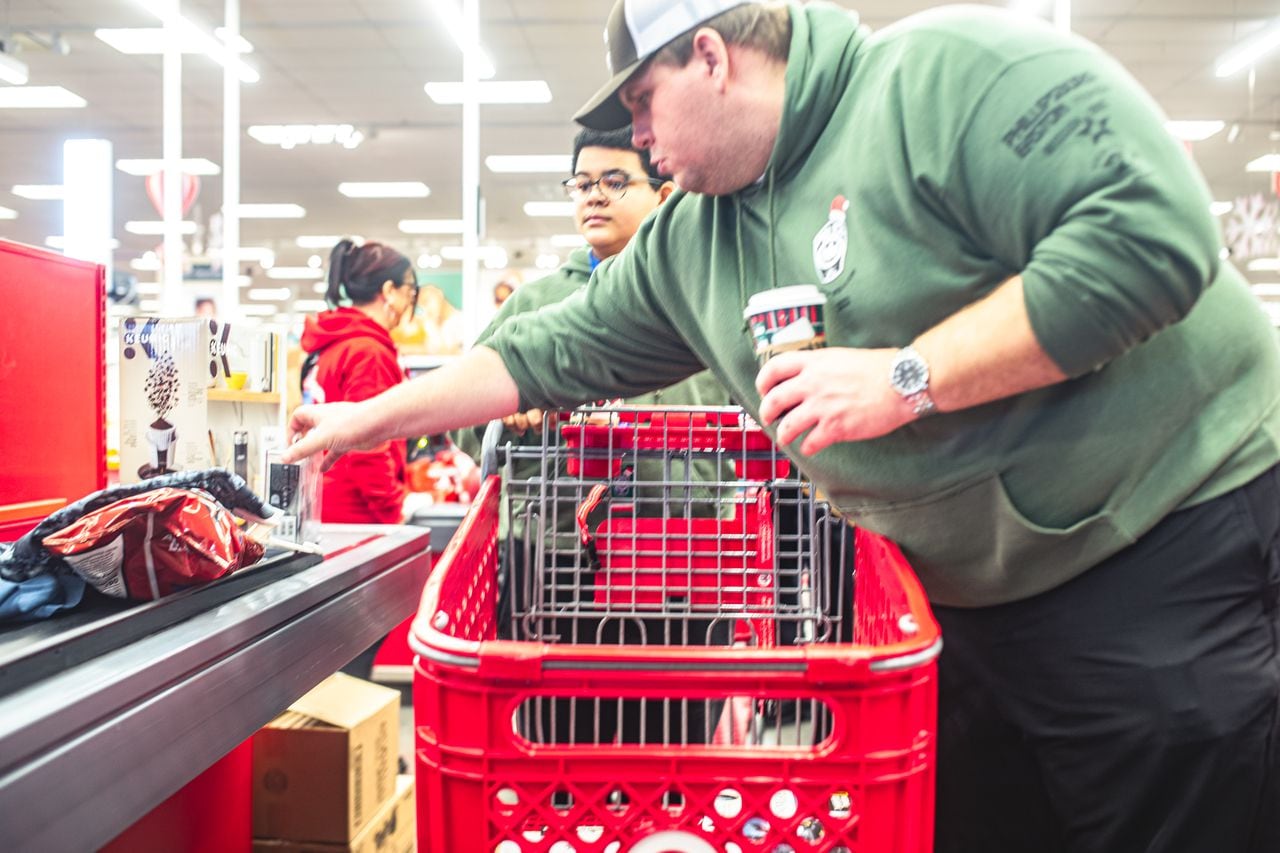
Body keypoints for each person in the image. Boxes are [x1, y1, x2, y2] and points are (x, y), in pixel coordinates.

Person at [285, 3, 1280, 850]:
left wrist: (906, 377)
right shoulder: (693, 240)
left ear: (710, 57)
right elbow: (549, 350)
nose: (636, 142)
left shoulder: (941, 81)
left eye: (641, 103)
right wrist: (366, 416)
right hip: (958, 605)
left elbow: (1150, 234)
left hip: (1163, 539)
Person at [456, 124, 735, 745]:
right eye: (582, 184)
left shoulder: (707, 295)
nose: (594, 196)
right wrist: (507, 415)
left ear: (664, 196)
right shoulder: (535, 304)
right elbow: (466, 423)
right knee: (560, 747)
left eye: (614, 181)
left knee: (674, 750)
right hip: (554, 564)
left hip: (682, 564)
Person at [299, 237, 416, 525]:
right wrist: (393, 512)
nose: (410, 302)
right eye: (410, 291)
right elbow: (368, 446)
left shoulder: (339, 341)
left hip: (328, 502)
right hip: (359, 516)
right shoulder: (369, 353)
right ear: (389, 291)